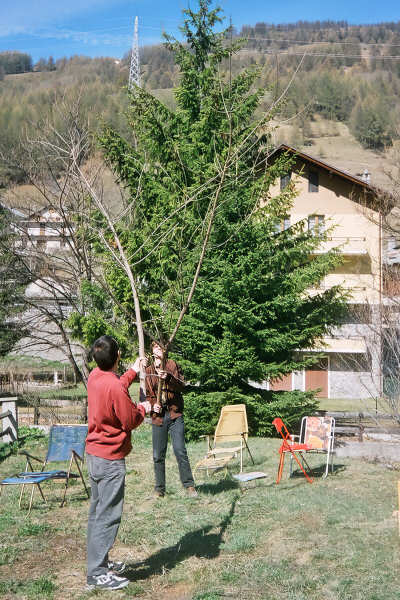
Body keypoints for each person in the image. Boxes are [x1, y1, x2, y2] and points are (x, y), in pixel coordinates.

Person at [85, 335, 151, 592]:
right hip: (111, 460)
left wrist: (133, 371)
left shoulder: (94, 376)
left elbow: (116, 385)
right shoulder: (114, 386)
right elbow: (130, 420)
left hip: (94, 455)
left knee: (96, 514)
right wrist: (143, 408)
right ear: (117, 356)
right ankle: (97, 573)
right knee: (108, 516)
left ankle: (97, 563)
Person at [145, 342, 197, 498]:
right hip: (158, 417)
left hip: (174, 415)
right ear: (152, 351)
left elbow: (182, 386)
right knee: (158, 455)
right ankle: (159, 489)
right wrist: (153, 406)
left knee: (180, 450)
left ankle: (189, 486)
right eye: (155, 347)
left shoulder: (172, 365)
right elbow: (146, 395)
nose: (158, 350)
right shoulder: (148, 371)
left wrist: (169, 377)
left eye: (160, 347)